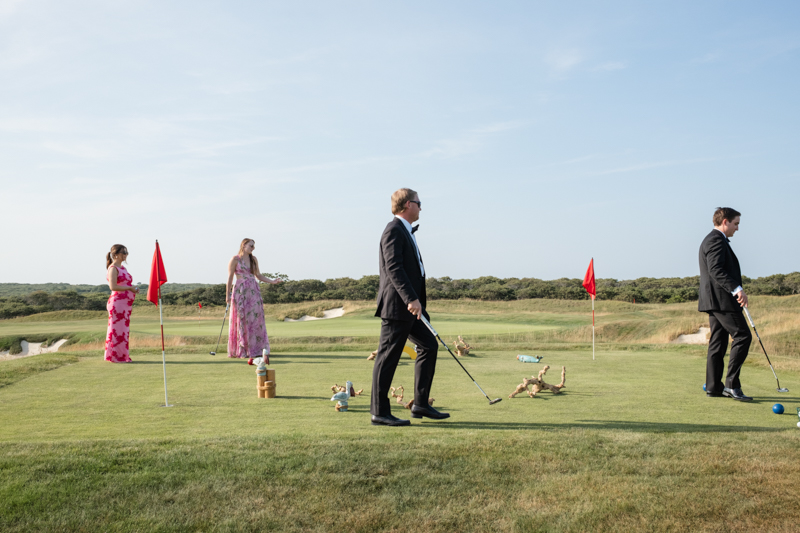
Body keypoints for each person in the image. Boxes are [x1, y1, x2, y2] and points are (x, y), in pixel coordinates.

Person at [370, 188, 449, 426]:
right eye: (418, 202)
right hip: (398, 307)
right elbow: (394, 268)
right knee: (387, 357)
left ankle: (421, 404)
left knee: (428, 345)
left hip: (412, 307)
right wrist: (410, 299)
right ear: (407, 205)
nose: (421, 206)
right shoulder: (393, 229)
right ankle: (379, 413)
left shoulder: (406, 231)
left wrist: (417, 303)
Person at [698, 207, 753, 401]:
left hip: (715, 300)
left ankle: (713, 387)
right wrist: (737, 289)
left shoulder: (713, 239)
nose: (737, 228)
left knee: (718, 342)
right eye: (736, 223)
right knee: (743, 336)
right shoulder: (715, 240)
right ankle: (731, 385)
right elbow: (716, 270)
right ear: (725, 222)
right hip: (722, 301)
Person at [226, 238, 281, 362]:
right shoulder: (235, 259)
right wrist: (227, 295)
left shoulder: (254, 259)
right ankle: (243, 349)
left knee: (255, 319)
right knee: (242, 319)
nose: (253, 248)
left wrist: (272, 281)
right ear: (243, 245)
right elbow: (229, 278)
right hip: (240, 291)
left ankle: (257, 349)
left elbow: (258, 275)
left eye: (253, 246)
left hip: (253, 290)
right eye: (251, 245)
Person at [104, 244, 139, 363]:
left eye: (126, 252)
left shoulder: (123, 268)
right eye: (124, 252)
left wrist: (133, 288)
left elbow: (125, 284)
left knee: (123, 332)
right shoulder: (113, 268)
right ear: (116, 254)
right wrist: (130, 289)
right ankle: (115, 356)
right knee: (116, 331)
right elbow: (113, 286)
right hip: (117, 304)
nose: (126, 255)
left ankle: (122, 356)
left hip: (125, 305)